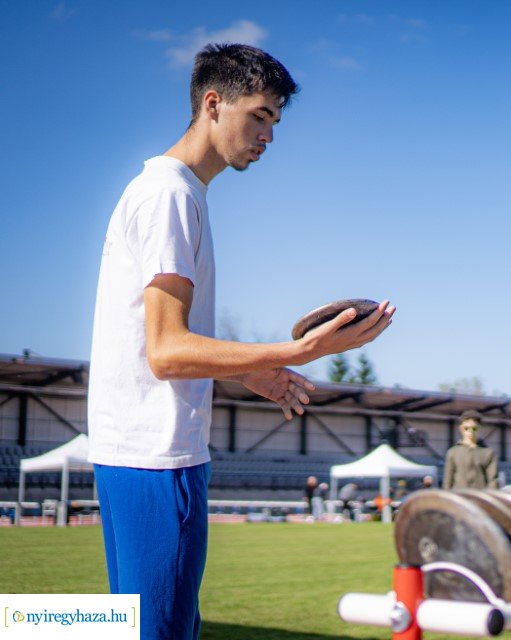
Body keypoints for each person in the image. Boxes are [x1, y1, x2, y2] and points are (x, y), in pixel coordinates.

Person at [87, 43, 395, 640]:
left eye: (275, 121)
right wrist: (301, 352)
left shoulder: (164, 190)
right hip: (158, 458)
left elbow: (153, 342)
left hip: (129, 454)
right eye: (259, 116)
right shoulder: (171, 195)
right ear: (213, 104)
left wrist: (244, 371)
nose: (269, 136)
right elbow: (166, 351)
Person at [442, 410, 498, 489]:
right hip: (459, 496)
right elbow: (447, 481)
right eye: (466, 428)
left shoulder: (488, 453)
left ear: (479, 428)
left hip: (480, 496)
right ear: (461, 429)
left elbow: (493, 481)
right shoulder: (453, 452)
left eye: (474, 428)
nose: (470, 431)